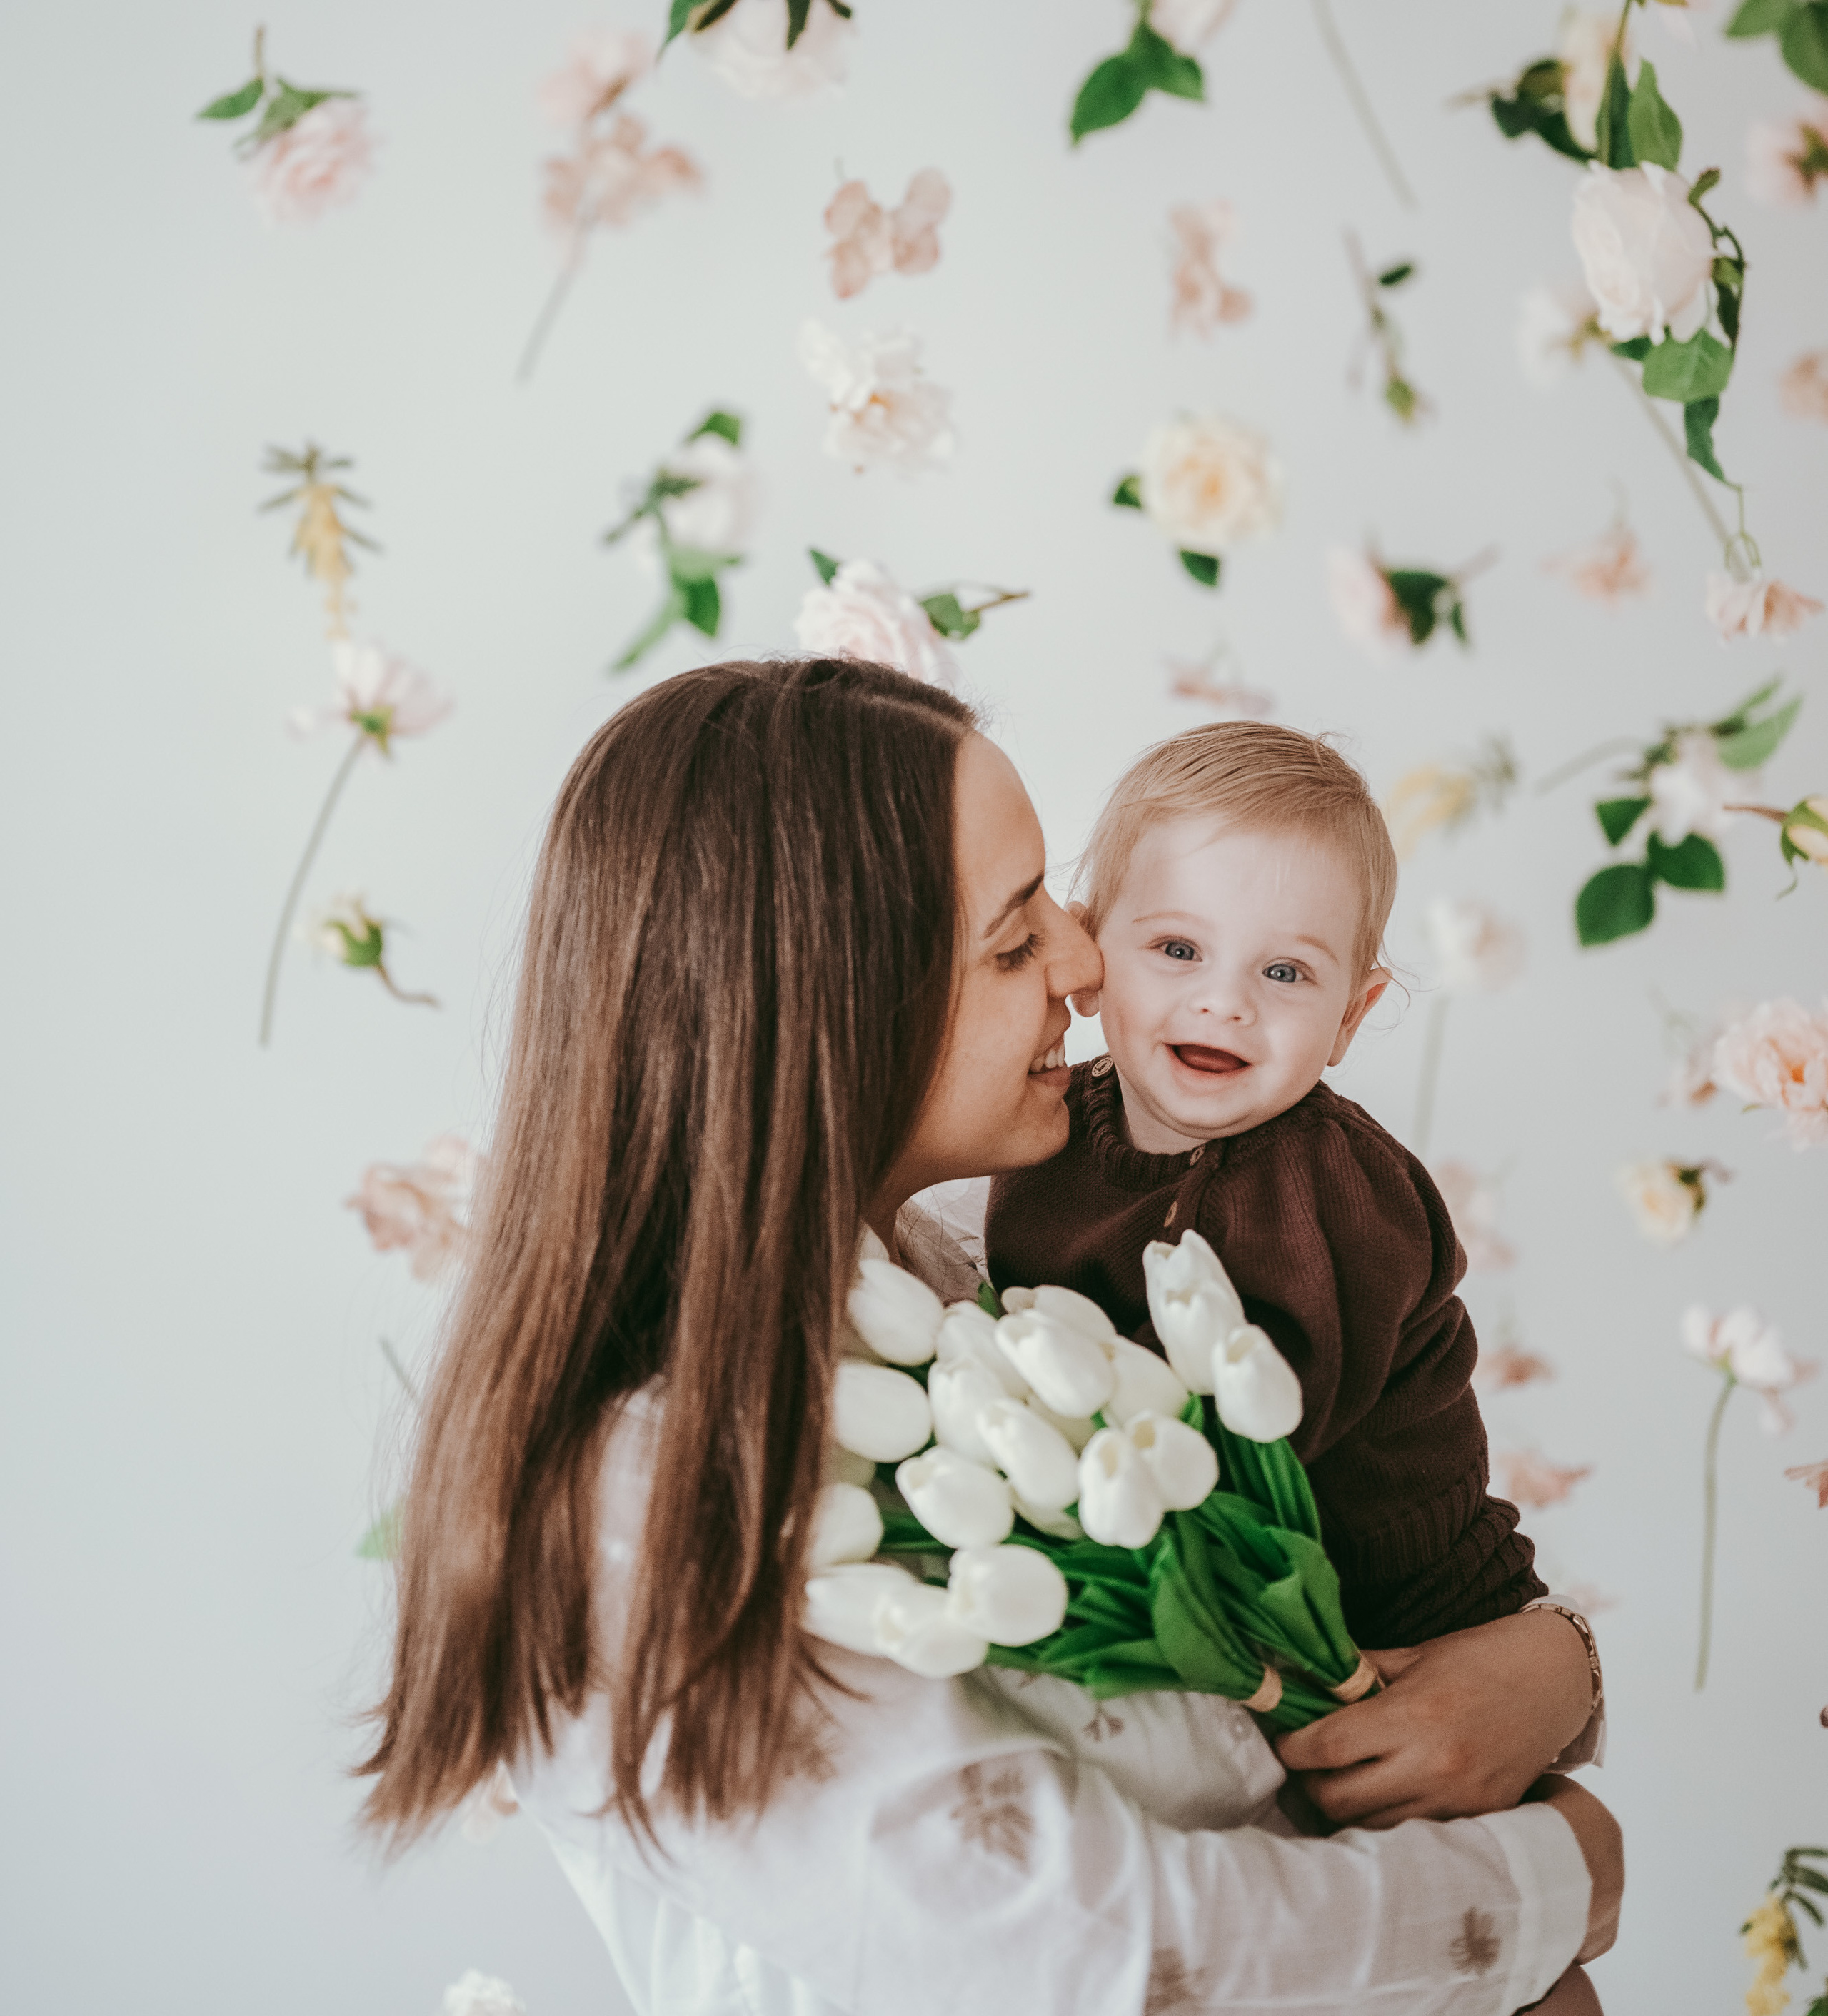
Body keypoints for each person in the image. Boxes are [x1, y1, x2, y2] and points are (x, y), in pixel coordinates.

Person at [359, 660, 1621, 2014]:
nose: (1090, 968)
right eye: (1020, 940)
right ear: (832, 1010)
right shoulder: (643, 1494)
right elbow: (1096, 1952)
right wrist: (1560, 1873)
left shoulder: (972, 1286)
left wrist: (1550, 1664)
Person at [985, 722, 1559, 1649]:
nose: (1226, 1001)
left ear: (1348, 1018)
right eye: (1178, 949)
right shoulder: (1050, 1127)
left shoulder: (1332, 1188)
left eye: (1285, 972)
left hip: (1406, 1613)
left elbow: (1238, 1453)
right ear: (1092, 954)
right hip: (1213, 1598)